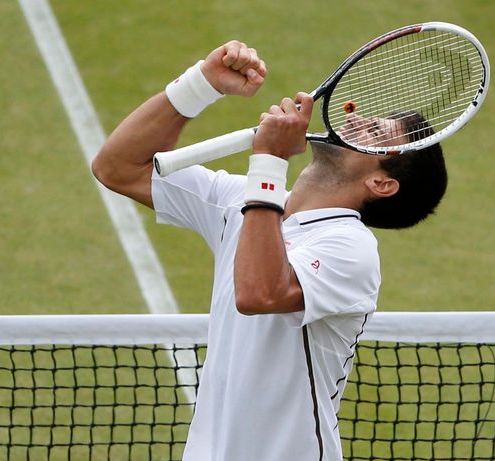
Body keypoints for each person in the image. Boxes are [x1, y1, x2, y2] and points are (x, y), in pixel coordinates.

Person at [92, 40, 447, 461]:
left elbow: (259, 293)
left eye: (375, 134)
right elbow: (117, 167)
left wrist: (269, 161)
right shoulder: (241, 201)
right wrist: (202, 84)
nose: (356, 119)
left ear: (382, 185)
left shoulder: (351, 248)